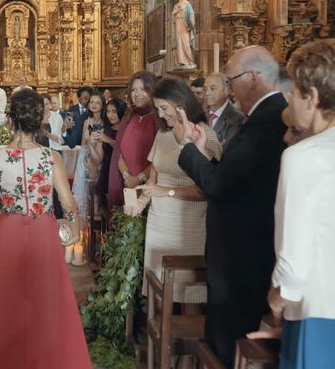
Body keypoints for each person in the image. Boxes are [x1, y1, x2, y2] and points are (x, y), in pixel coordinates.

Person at [256, 38, 335, 368]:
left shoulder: (302, 157)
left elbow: (293, 270)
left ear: (315, 97)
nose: (289, 97)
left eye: (295, 90)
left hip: (320, 320)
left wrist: (274, 303)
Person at [0, 89, 91, 369]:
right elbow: (68, 204)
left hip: (10, 232)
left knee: (7, 301)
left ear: (10, 121)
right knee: (46, 298)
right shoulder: (51, 158)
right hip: (43, 229)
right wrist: (74, 229)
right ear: (39, 120)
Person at [174, 45, 287, 367]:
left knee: (227, 345)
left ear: (251, 77)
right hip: (243, 252)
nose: (228, 86)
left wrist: (187, 148)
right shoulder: (266, 118)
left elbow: (217, 185)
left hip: (242, 257)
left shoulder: (265, 123)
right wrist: (202, 153)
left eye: (230, 78)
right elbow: (230, 177)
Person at [131, 78, 222, 303]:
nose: (160, 115)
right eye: (157, 109)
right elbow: (154, 175)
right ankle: (159, 338)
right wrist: (141, 202)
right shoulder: (162, 135)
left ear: (180, 104)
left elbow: (209, 188)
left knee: (189, 294)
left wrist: (167, 191)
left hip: (189, 224)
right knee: (157, 290)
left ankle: (185, 338)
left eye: (164, 108)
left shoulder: (204, 135)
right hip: (159, 222)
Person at [108, 71, 161, 210]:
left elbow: (159, 157)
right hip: (127, 185)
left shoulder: (159, 119)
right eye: (133, 90)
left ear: (152, 90)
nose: (136, 94)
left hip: (149, 187)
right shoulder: (128, 118)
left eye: (142, 89)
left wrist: (139, 178)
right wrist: (127, 177)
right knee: (128, 226)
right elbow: (119, 155)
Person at [72, 90, 106, 219]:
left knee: (96, 194)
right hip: (85, 156)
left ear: (103, 105)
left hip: (98, 156)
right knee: (83, 192)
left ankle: (97, 223)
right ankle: (85, 227)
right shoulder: (87, 121)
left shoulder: (104, 122)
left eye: (98, 102)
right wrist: (83, 162)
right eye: (92, 102)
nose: (94, 105)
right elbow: (83, 143)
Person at [95, 97, 126, 227]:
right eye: (108, 111)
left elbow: (125, 152)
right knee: (108, 214)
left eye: (114, 111)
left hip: (122, 172)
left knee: (122, 212)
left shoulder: (126, 129)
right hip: (106, 172)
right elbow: (98, 158)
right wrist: (92, 145)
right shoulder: (106, 129)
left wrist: (109, 140)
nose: (110, 115)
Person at [203, 72, 245, 148]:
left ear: (226, 91)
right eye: (205, 89)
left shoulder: (237, 118)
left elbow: (227, 149)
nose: (207, 93)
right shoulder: (201, 115)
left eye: (212, 88)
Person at [172, 0, 196, 69]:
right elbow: (172, 15)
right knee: (179, 43)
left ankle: (189, 60)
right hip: (178, 24)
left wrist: (192, 22)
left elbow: (191, 13)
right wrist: (177, 10)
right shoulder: (176, 6)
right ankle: (181, 61)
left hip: (184, 25)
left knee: (186, 43)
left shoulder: (187, 4)